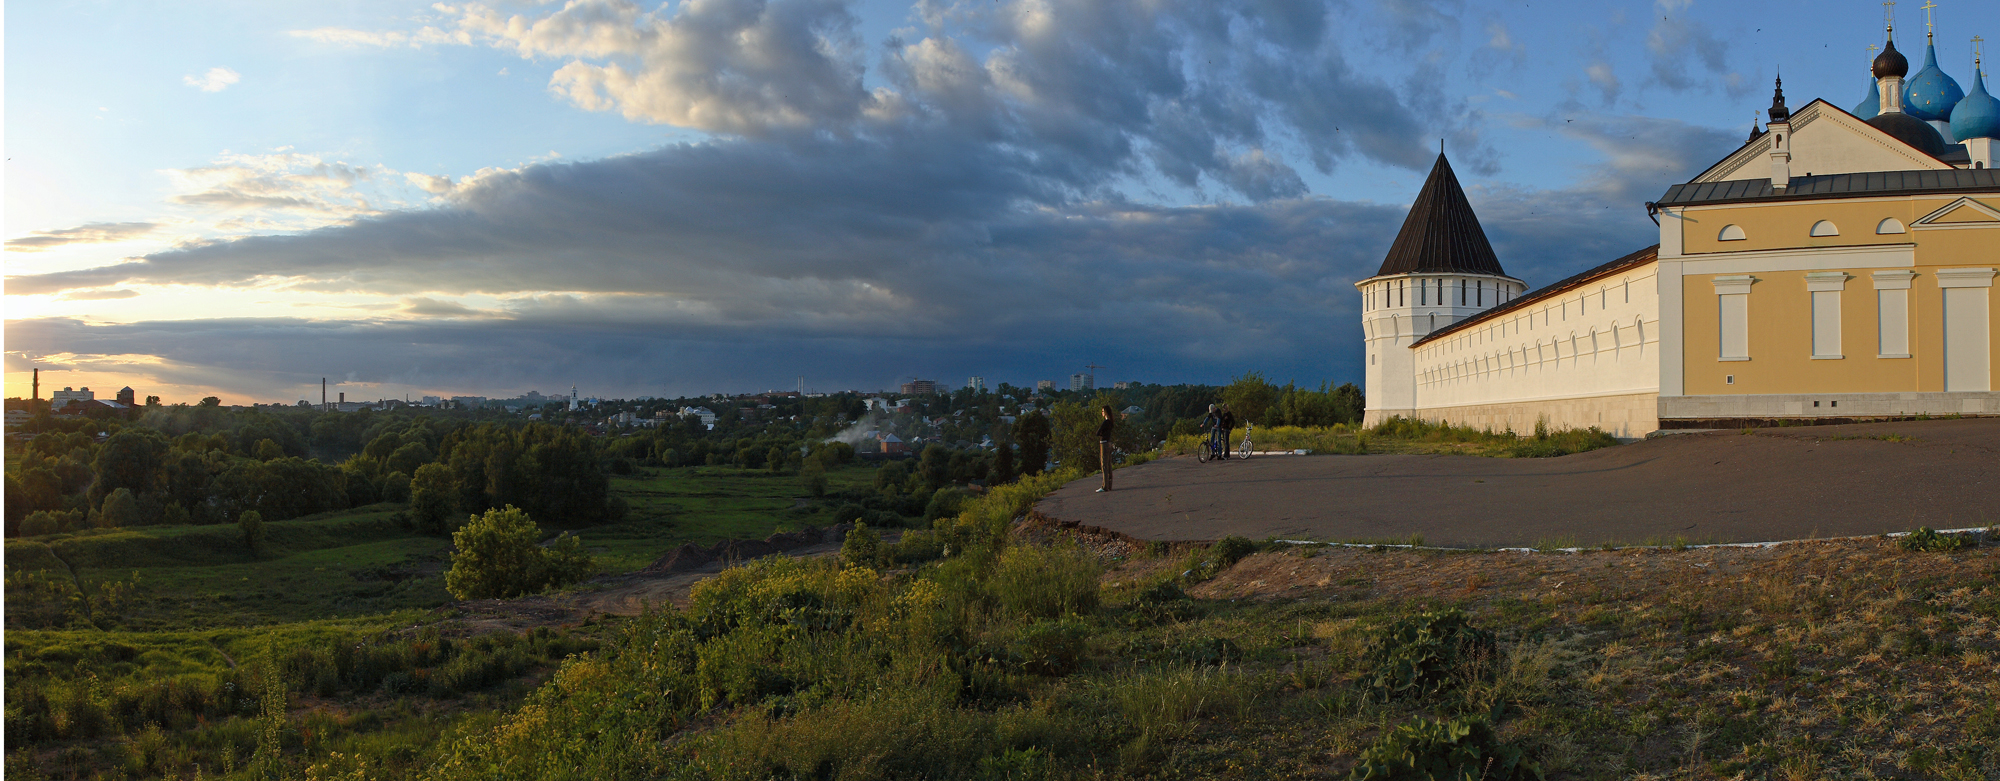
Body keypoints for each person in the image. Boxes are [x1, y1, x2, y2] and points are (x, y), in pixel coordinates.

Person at [1095, 405, 1117, 492]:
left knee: (1104, 465)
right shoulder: (1111, 422)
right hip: (1109, 443)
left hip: (1103, 443)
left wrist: (1101, 434)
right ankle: (1109, 485)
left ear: (1106, 412)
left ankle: (1105, 486)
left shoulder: (1105, 422)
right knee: (1109, 464)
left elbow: (1098, 433)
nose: (1102, 413)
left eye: (1103, 411)